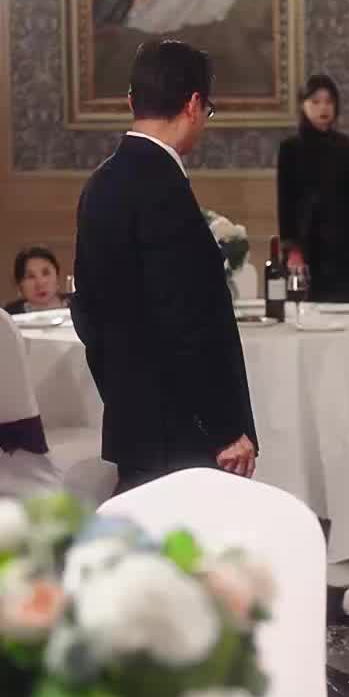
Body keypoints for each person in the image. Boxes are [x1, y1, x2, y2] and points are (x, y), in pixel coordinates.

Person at [71, 38, 257, 494]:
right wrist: (224, 427)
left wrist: (123, 393)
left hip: (133, 424)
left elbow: (86, 312)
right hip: (183, 436)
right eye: (207, 110)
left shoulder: (100, 183)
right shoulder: (164, 189)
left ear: (131, 100)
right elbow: (188, 325)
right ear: (193, 104)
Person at [276, 73, 349, 302]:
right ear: (303, 105)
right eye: (315, 101)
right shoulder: (291, 148)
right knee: (305, 310)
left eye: (329, 101)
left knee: (344, 312)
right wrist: (292, 249)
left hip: (340, 246)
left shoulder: (345, 145)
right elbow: (285, 202)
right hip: (305, 244)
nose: (323, 108)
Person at [4, 247, 66, 315]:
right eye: (30, 276)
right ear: (20, 285)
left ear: (57, 276)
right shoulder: (8, 315)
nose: (40, 283)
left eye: (46, 273)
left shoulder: (75, 305)